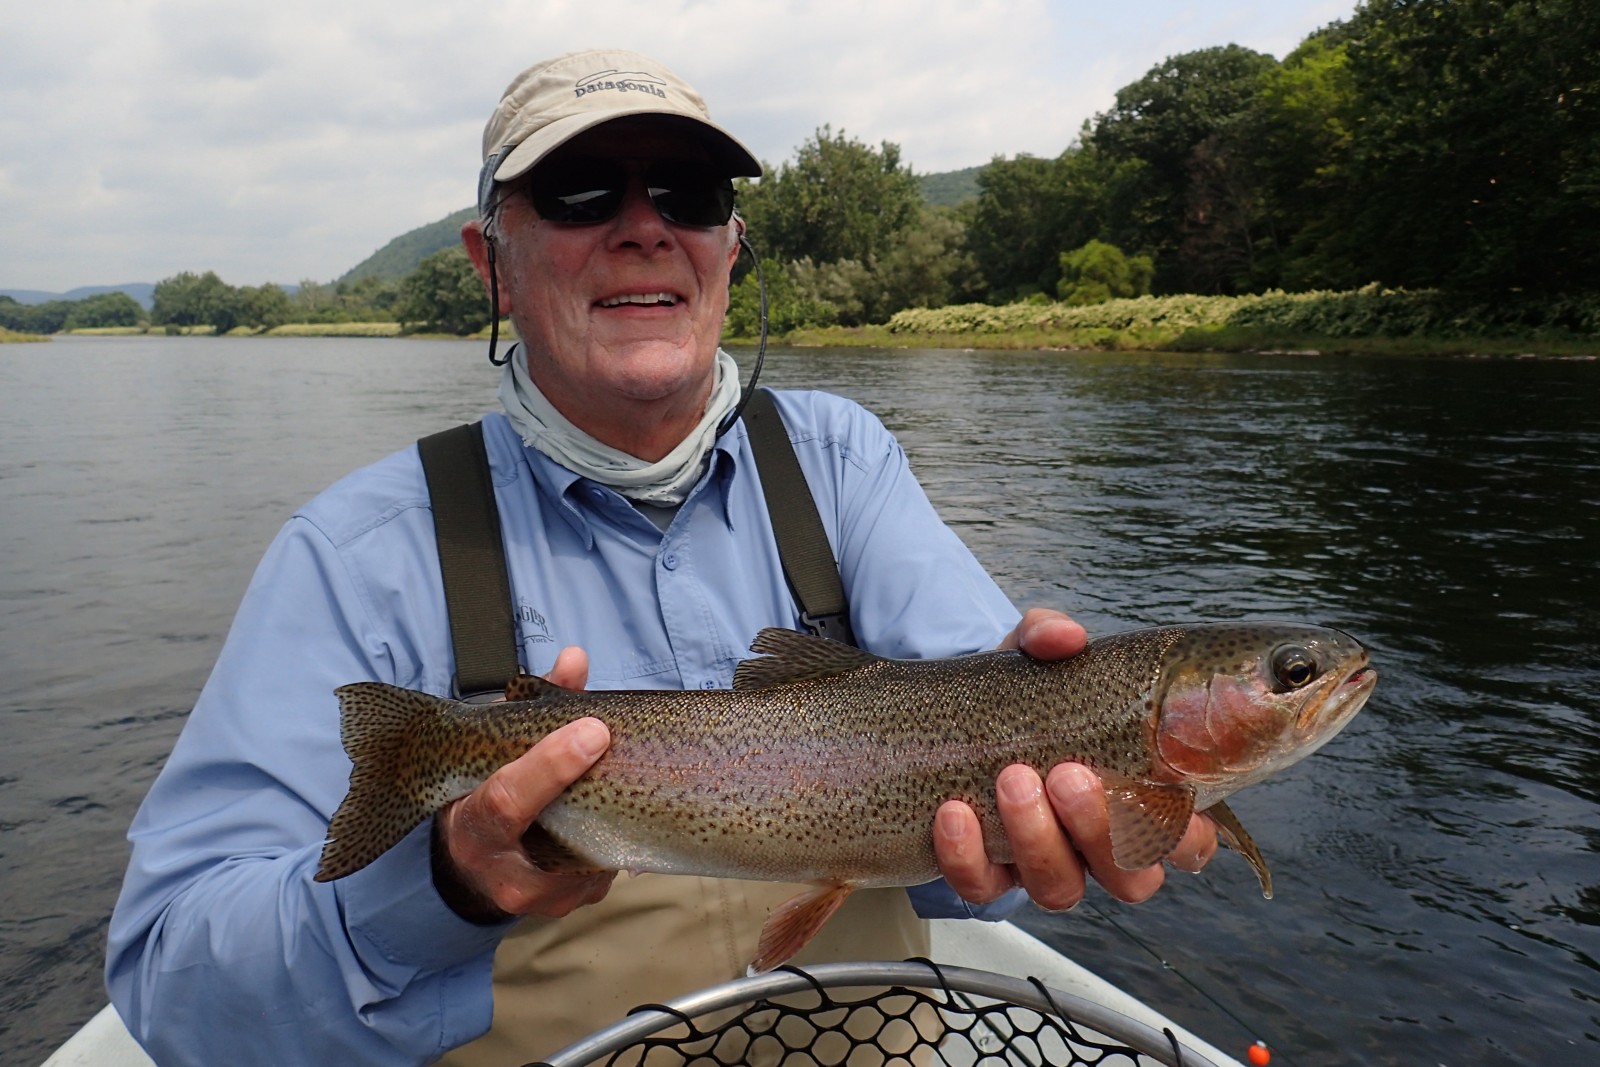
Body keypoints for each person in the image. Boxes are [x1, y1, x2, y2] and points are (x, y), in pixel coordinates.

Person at [106, 48, 1216, 1066]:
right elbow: (173, 980)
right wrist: (445, 881)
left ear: (730, 247)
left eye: (689, 194)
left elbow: (977, 820)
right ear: (489, 259)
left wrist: (1039, 812)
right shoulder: (357, 554)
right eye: (581, 189)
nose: (644, 227)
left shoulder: (843, 462)